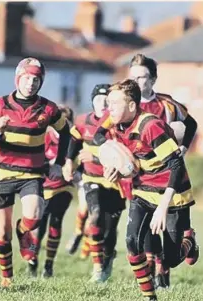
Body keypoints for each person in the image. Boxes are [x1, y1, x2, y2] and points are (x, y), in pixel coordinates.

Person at [93, 54, 199, 288]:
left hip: (169, 177)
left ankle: (172, 259)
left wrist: (182, 147)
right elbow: (100, 135)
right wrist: (116, 162)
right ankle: (154, 283)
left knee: (168, 248)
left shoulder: (165, 106)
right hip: (140, 178)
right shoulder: (120, 106)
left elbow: (190, 126)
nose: (138, 81)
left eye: (143, 77)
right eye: (134, 76)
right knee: (139, 237)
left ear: (153, 79)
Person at [0, 57, 70, 287]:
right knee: (2, 232)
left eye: (36, 79)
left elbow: (66, 133)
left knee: (34, 215)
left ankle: (24, 231)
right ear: (18, 78)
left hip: (32, 173)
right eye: (27, 78)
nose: (31, 83)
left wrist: (59, 163)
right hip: (2, 175)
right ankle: (7, 278)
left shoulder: (48, 108)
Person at [62, 84, 125, 283]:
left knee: (110, 230)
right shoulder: (83, 120)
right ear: (93, 101)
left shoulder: (119, 124)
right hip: (91, 178)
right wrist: (69, 161)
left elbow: (123, 157)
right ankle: (97, 268)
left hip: (116, 181)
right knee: (95, 217)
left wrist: (95, 156)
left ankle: (107, 258)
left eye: (107, 100)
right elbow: (74, 139)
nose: (103, 103)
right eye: (99, 99)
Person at [32, 105, 75, 278]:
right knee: (39, 227)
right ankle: (33, 260)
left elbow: (79, 161)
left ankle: (48, 265)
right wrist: (49, 165)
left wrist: (74, 169)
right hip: (43, 188)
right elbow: (35, 161)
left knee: (56, 222)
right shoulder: (45, 138)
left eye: (67, 121)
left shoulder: (73, 140)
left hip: (64, 188)